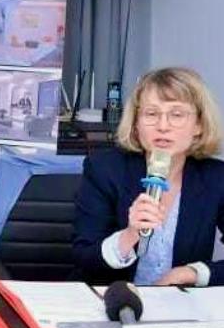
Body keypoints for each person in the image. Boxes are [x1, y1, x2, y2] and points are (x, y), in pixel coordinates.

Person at [73, 67, 224, 286]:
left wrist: (194, 273)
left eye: (177, 115)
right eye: (151, 114)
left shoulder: (216, 178)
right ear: (136, 124)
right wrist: (129, 235)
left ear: (199, 125)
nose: (163, 126)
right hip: (112, 298)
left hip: (178, 302)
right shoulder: (105, 169)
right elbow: (83, 258)